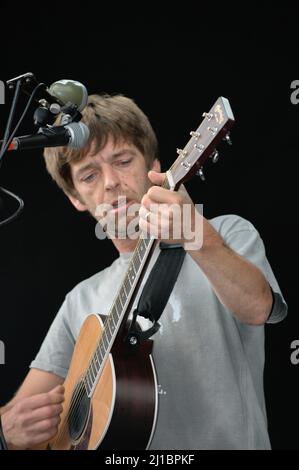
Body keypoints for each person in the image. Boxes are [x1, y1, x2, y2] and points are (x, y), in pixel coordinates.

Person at [0, 94, 287, 450]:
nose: (110, 182)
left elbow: (258, 307)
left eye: (122, 161)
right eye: (89, 175)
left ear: (155, 166)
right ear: (76, 197)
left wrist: (197, 236)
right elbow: (22, 415)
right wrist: (6, 431)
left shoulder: (226, 233)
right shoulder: (81, 300)